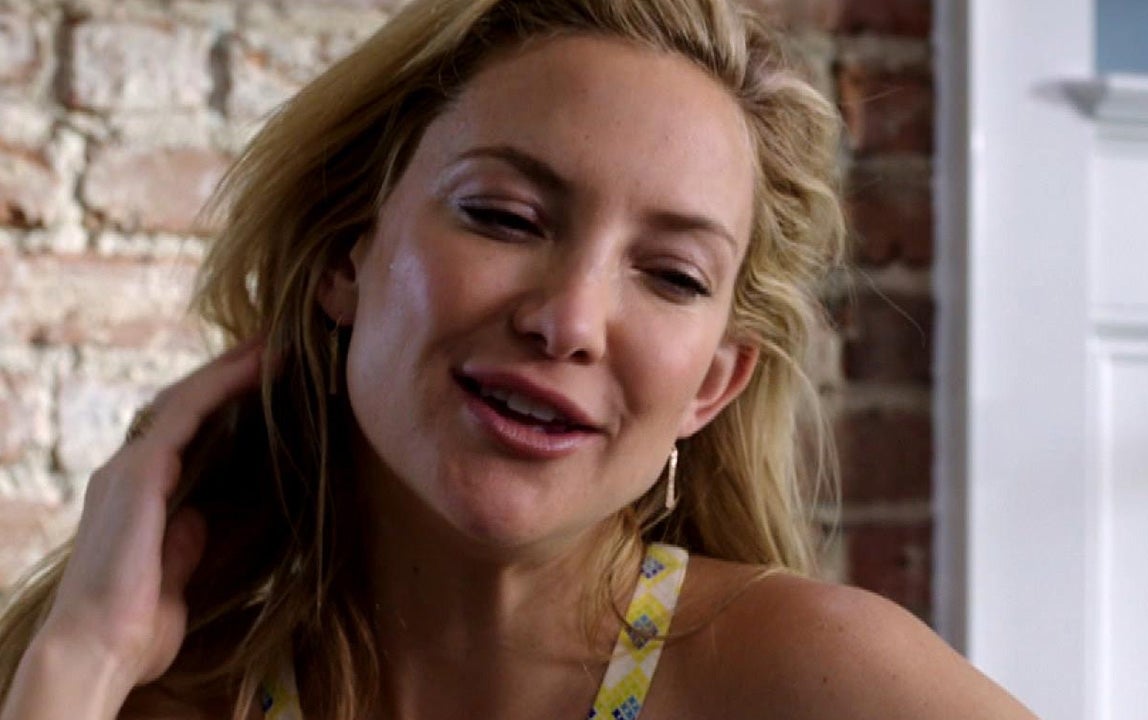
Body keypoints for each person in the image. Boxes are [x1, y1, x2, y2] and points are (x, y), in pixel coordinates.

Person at [0, 0, 1036, 718]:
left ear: (712, 385)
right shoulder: (142, 688)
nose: (570, 320)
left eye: (672, 275)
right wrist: (77, 666)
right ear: (344, 258)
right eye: (502, 217)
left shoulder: (818, 682)